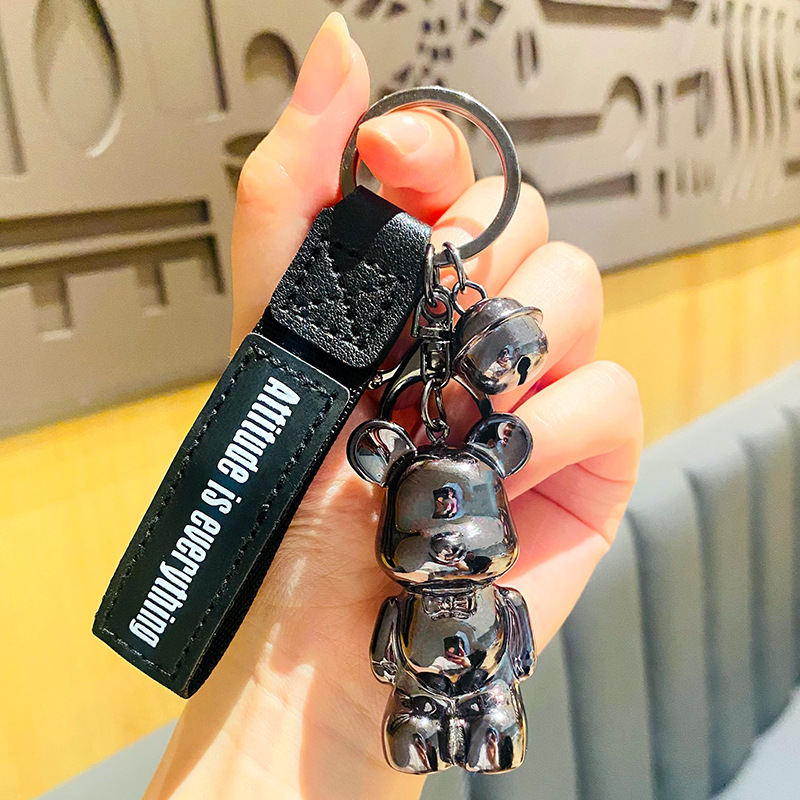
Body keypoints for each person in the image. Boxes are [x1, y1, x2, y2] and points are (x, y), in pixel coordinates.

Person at [144, 12, 642, 800]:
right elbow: (387, 651)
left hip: (481, 685)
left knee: (488, 716)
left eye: (462, 524)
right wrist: (295, 708)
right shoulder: (414, 552)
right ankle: (425, 727)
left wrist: (495, 665)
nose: (446, 543)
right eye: (427, 526)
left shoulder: (490, 587)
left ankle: (482, 725)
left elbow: (492, 638)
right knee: (415, 722)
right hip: (413, 692)